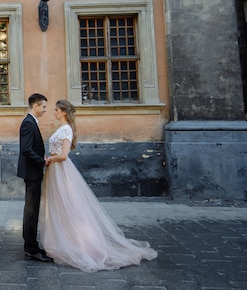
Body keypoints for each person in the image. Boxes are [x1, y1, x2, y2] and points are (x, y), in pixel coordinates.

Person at [39, 99, 158, 272]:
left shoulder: (66, 129)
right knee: (60, 206)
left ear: (64, 112)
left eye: (57, 110)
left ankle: (77, 243)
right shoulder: (61, 128)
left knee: (69, 205)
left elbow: (64, 155)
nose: (54, 112)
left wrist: (49, 158)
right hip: (55, 170)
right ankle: (63, 240)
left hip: (61, 169)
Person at [17, 93, 53, 262]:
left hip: (32, 171)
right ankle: (31, 248)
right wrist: (42, 162)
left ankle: (31, 246)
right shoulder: (29, 123)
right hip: (32, 172)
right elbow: (26, 149)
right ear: (36, 106)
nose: (45, 110)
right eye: (44, 106)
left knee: (32, 209)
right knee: (31, 210)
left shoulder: (31, 122)